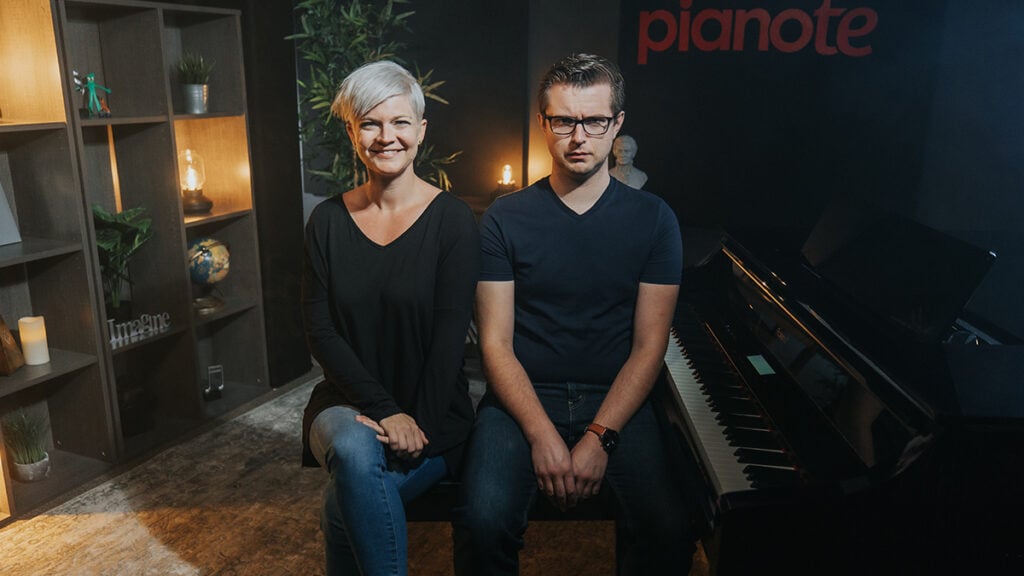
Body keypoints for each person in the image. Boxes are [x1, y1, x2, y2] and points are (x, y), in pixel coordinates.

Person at [453, 53, 696, 575]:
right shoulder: (505, 218)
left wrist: (599, 436)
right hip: (523, 395)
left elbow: (650, 346)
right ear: (544, 123)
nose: (579, 136)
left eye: (594, 121)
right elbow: (494, 344)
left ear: (618, 125)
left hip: (615, 396)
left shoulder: (654, 220)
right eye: (564, 120)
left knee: (670, 529)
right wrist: (541, 435)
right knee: (481, 521)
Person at [301, 60, 480, 576]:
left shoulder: (452, 220)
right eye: (371, 124)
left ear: (421, 130)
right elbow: (320, 330)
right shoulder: (327, 221)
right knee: (357, 453)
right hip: (346, 402)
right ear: (353, 133)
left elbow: (451, 340)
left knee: (341, 509)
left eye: (400, 122)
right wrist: (384, 410)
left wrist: (415, 421)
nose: (387, 137)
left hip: (433, 414)